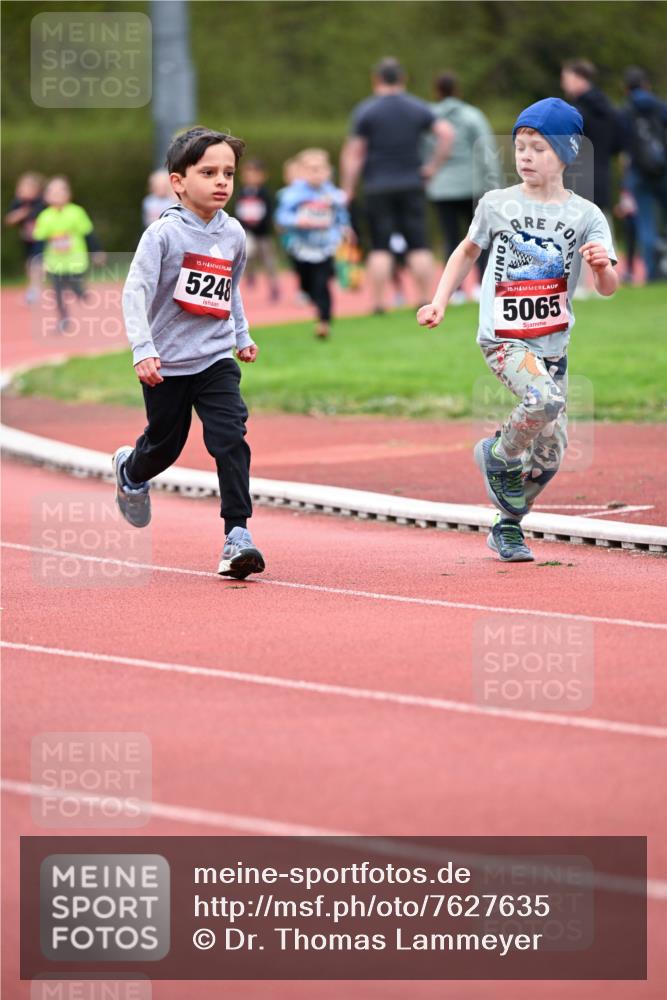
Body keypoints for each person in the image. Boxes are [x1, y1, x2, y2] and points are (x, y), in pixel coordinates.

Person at [417, 98, 618, 562]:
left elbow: (607, 287)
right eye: (520, 147)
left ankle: (507, 526)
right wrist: (439, 300)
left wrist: (602, 267)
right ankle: (497, 453)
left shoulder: (586, 215)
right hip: (504, 338)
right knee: (545, 400)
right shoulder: (497, 204)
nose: (525, 156)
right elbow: (466, 252)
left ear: (567, 154)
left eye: (538, 148)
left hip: (553, 344)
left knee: (551, 453)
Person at [114, 126, 265, 579]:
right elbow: (134, 293)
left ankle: (237, 535)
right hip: (167, 363)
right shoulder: (163, 235)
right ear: (178, 182)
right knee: (165, 446)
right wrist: (143, 348)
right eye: (208, 173)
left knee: (230, 439)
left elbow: (229, 289)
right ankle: (131, 471)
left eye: (228, 173)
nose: (222, 182)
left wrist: (241, 335)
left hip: (215, 357)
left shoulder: (234, 233)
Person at [340, 57, 453, 313]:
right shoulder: (417, 107)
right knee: (418, 244)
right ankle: (425, 299)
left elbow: (354, 152)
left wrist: (347, 187)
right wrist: (432, 168)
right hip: (411, 182)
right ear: (403, 79)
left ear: (376, 80)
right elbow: (446, 133)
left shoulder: (366, 110)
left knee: (380, 246)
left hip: (377, 185)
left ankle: (378, 303)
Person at [424, 71, 501, 300]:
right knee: (480, 239)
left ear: (436, 91)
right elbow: (487, 150)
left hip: (442, 187)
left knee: (451, 238)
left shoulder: (429, 118)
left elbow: (424, 150)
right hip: (472, 185)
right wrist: (494, 183)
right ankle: (480, 285)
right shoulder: (472, 115)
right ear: (457, 90)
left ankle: (455, 291)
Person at [274, 147, 349, 338]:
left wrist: (345, 228)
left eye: (320, 169)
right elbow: (281, 216)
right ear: (302, 172)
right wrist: (297, 221)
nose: (316, 173)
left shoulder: (332, 194)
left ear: (328, 171)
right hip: (301, 247)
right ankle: (310, 295)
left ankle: (324, 321)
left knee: (323, 283)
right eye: (311, 169)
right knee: (307, 285)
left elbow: (341, 214)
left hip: (325, 246)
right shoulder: (293, 193)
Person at [32, 175, 104, 332]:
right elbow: (39, 242)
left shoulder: (76, 212)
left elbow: (88, 234)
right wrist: (39, 260)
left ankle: (81, 293)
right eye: (52, 192)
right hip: (55, 262)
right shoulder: (45, 216)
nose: (56, 195)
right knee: (57, 293)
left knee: (74, 286)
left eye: (60, 191)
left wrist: (97, 251)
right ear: (47, 196)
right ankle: (64, 320)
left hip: (76, 261)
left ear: (68, 194)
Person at [619, 66, 667, 282]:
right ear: (646, 85)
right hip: (663, 169)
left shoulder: (626, 110)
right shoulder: (660, 106)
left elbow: (623, 143)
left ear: (626, 88)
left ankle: (651, 273)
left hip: (638, 173)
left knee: (645, 224)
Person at [234, 157, 280, 301]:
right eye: (247, 174)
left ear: (262, 175)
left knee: (268, 261)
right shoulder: (243, 192)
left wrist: (260, 225)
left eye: (254, 173)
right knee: (247, 258)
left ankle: (274, 287)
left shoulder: (264, 193)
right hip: (248, 234)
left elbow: (268, 212)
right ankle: (250, 275)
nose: (250, 177)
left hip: (263, 235)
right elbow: (239, 211)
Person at [4, 172, 46, 303]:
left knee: (37, 264)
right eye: (20, 188)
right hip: (27, 240)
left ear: (36, 190)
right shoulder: (18, 203)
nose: (20, 191)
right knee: (29, 264)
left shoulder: (41, 203)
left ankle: (36, 290)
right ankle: (33, 289)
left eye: (25, 188)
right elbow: (8, 220)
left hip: (41, 240)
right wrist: (20, 214)